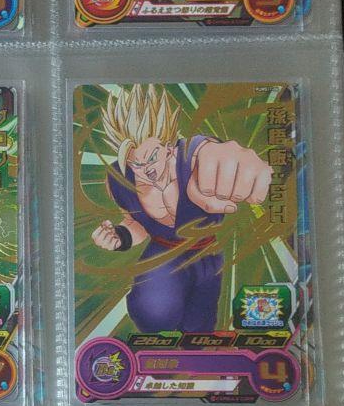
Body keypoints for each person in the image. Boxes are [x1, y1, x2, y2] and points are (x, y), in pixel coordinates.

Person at [89, 84, 271, 333]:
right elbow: (135, 224)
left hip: (206, 253)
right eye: (136, 164)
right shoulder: (120, 179)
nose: (146, 170)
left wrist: (232, 163)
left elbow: (210, 153)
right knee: (152, 315)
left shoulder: (192, 157)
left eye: (151, 157)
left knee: (198, 328)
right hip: (163, 253)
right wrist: (118, 237)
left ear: (168, 146)